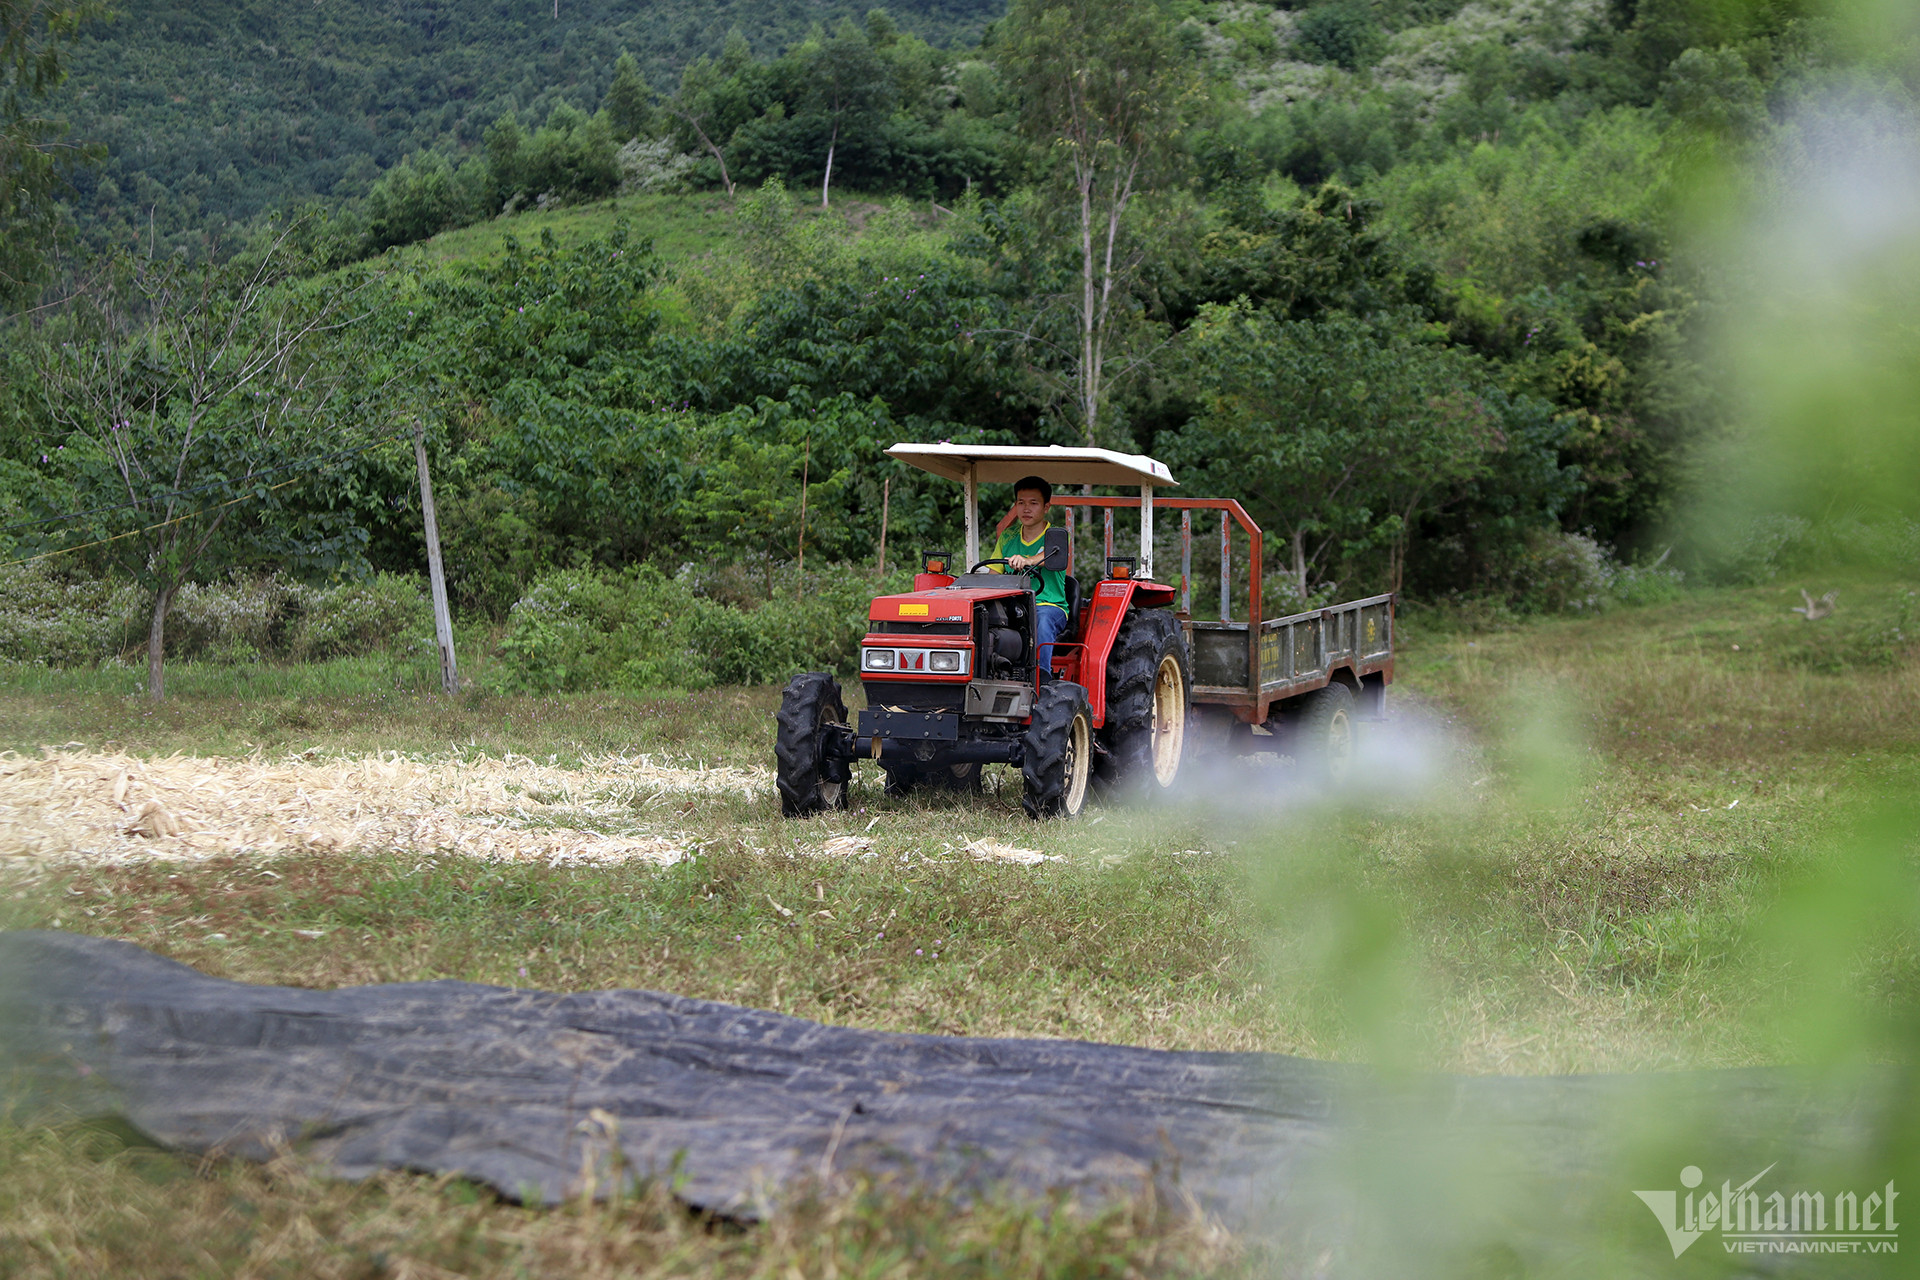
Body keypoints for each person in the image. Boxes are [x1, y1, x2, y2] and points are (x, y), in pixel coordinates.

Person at [988, 475, 1069, 676]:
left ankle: (1041, 676)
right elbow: (992, 574)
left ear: (1046, 507)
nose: (1026, 509)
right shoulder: (1008, 536)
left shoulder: (1056, 536)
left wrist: (1028, 560)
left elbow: (1051, 553)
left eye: (1033, 503)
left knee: (1041, 619)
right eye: (1021, 503)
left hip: (1047, 604)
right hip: (1012, 606)